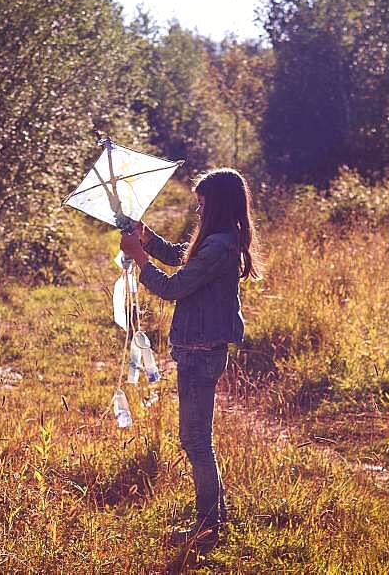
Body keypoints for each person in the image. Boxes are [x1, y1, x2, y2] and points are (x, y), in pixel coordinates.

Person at [119, 167, 261, 552]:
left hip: (201, 354)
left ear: (215, 205)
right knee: (197, 439)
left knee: (196, 440)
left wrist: (139, 259)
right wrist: (147, 240)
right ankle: (213, 519)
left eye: (201, 205)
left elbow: (174, 286)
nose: (198, 212)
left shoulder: (219, 245)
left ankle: (208, 526)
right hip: (198, 352)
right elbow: (184, 258)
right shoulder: (219, 241)